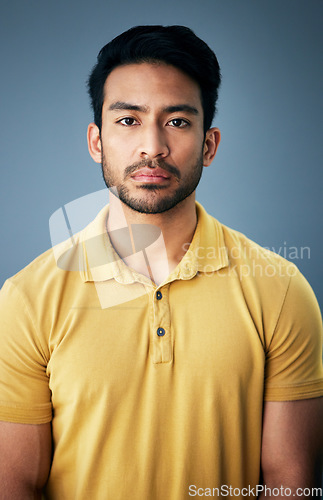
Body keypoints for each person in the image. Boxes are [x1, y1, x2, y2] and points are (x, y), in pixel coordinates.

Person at [0, 25, 322, 500]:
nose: (152, 146)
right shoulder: (27, 299)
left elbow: (289, 485)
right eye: (128, 121)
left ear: (209, 145)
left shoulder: (279, 291)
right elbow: (14, 485)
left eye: (177, 121)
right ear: (96, 141)